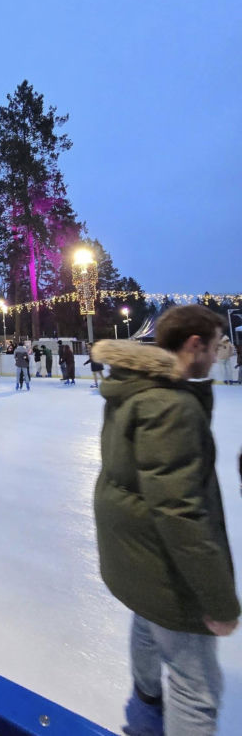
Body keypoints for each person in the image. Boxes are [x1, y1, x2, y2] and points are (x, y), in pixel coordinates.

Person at [92, 305, 239, 736]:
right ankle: (150, 707)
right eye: (214, 347)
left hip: (133, 549)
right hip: (160, 555)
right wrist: (218, 601)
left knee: (147, 619)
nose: (216, 356)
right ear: (193, 345)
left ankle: (145, 704)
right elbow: (180, 510)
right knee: (198, 687)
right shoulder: (168, 404)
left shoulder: (137, 387)